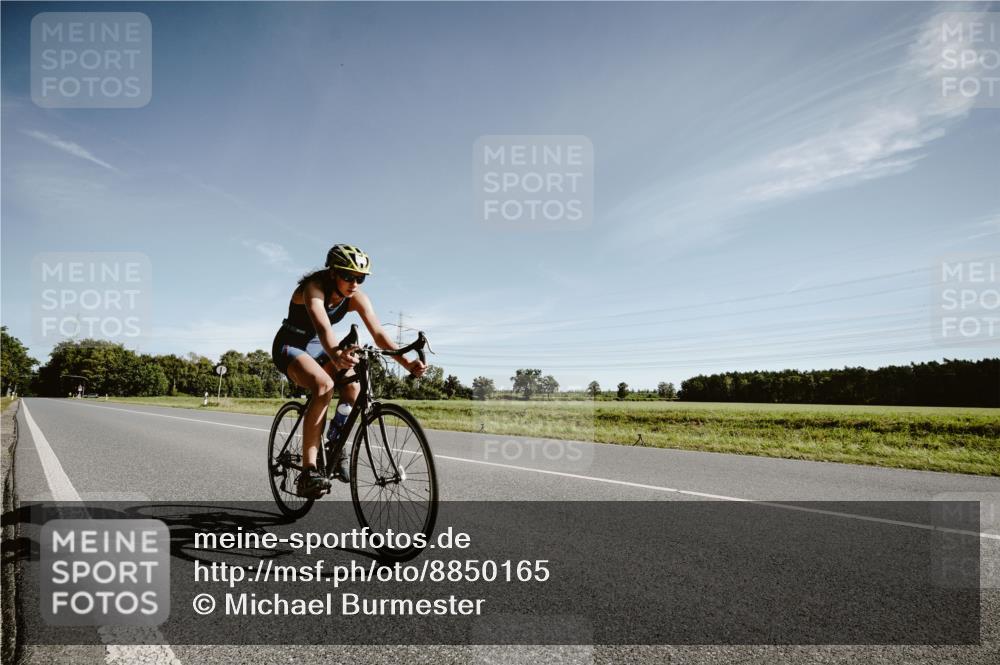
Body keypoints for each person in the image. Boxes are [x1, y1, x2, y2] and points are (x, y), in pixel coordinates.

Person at [270, 244, 427, 497]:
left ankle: (334, 441)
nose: (354, 283)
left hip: (322, 349)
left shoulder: (357, 297)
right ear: (332, 273)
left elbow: (379, 334)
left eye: (360, 278)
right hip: (292, 346)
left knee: (354, 387)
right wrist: (336, 354)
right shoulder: (313, 289)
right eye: (348, 276)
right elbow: (323, 329)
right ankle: (308, 471)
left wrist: (407, 362)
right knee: (324, 385)